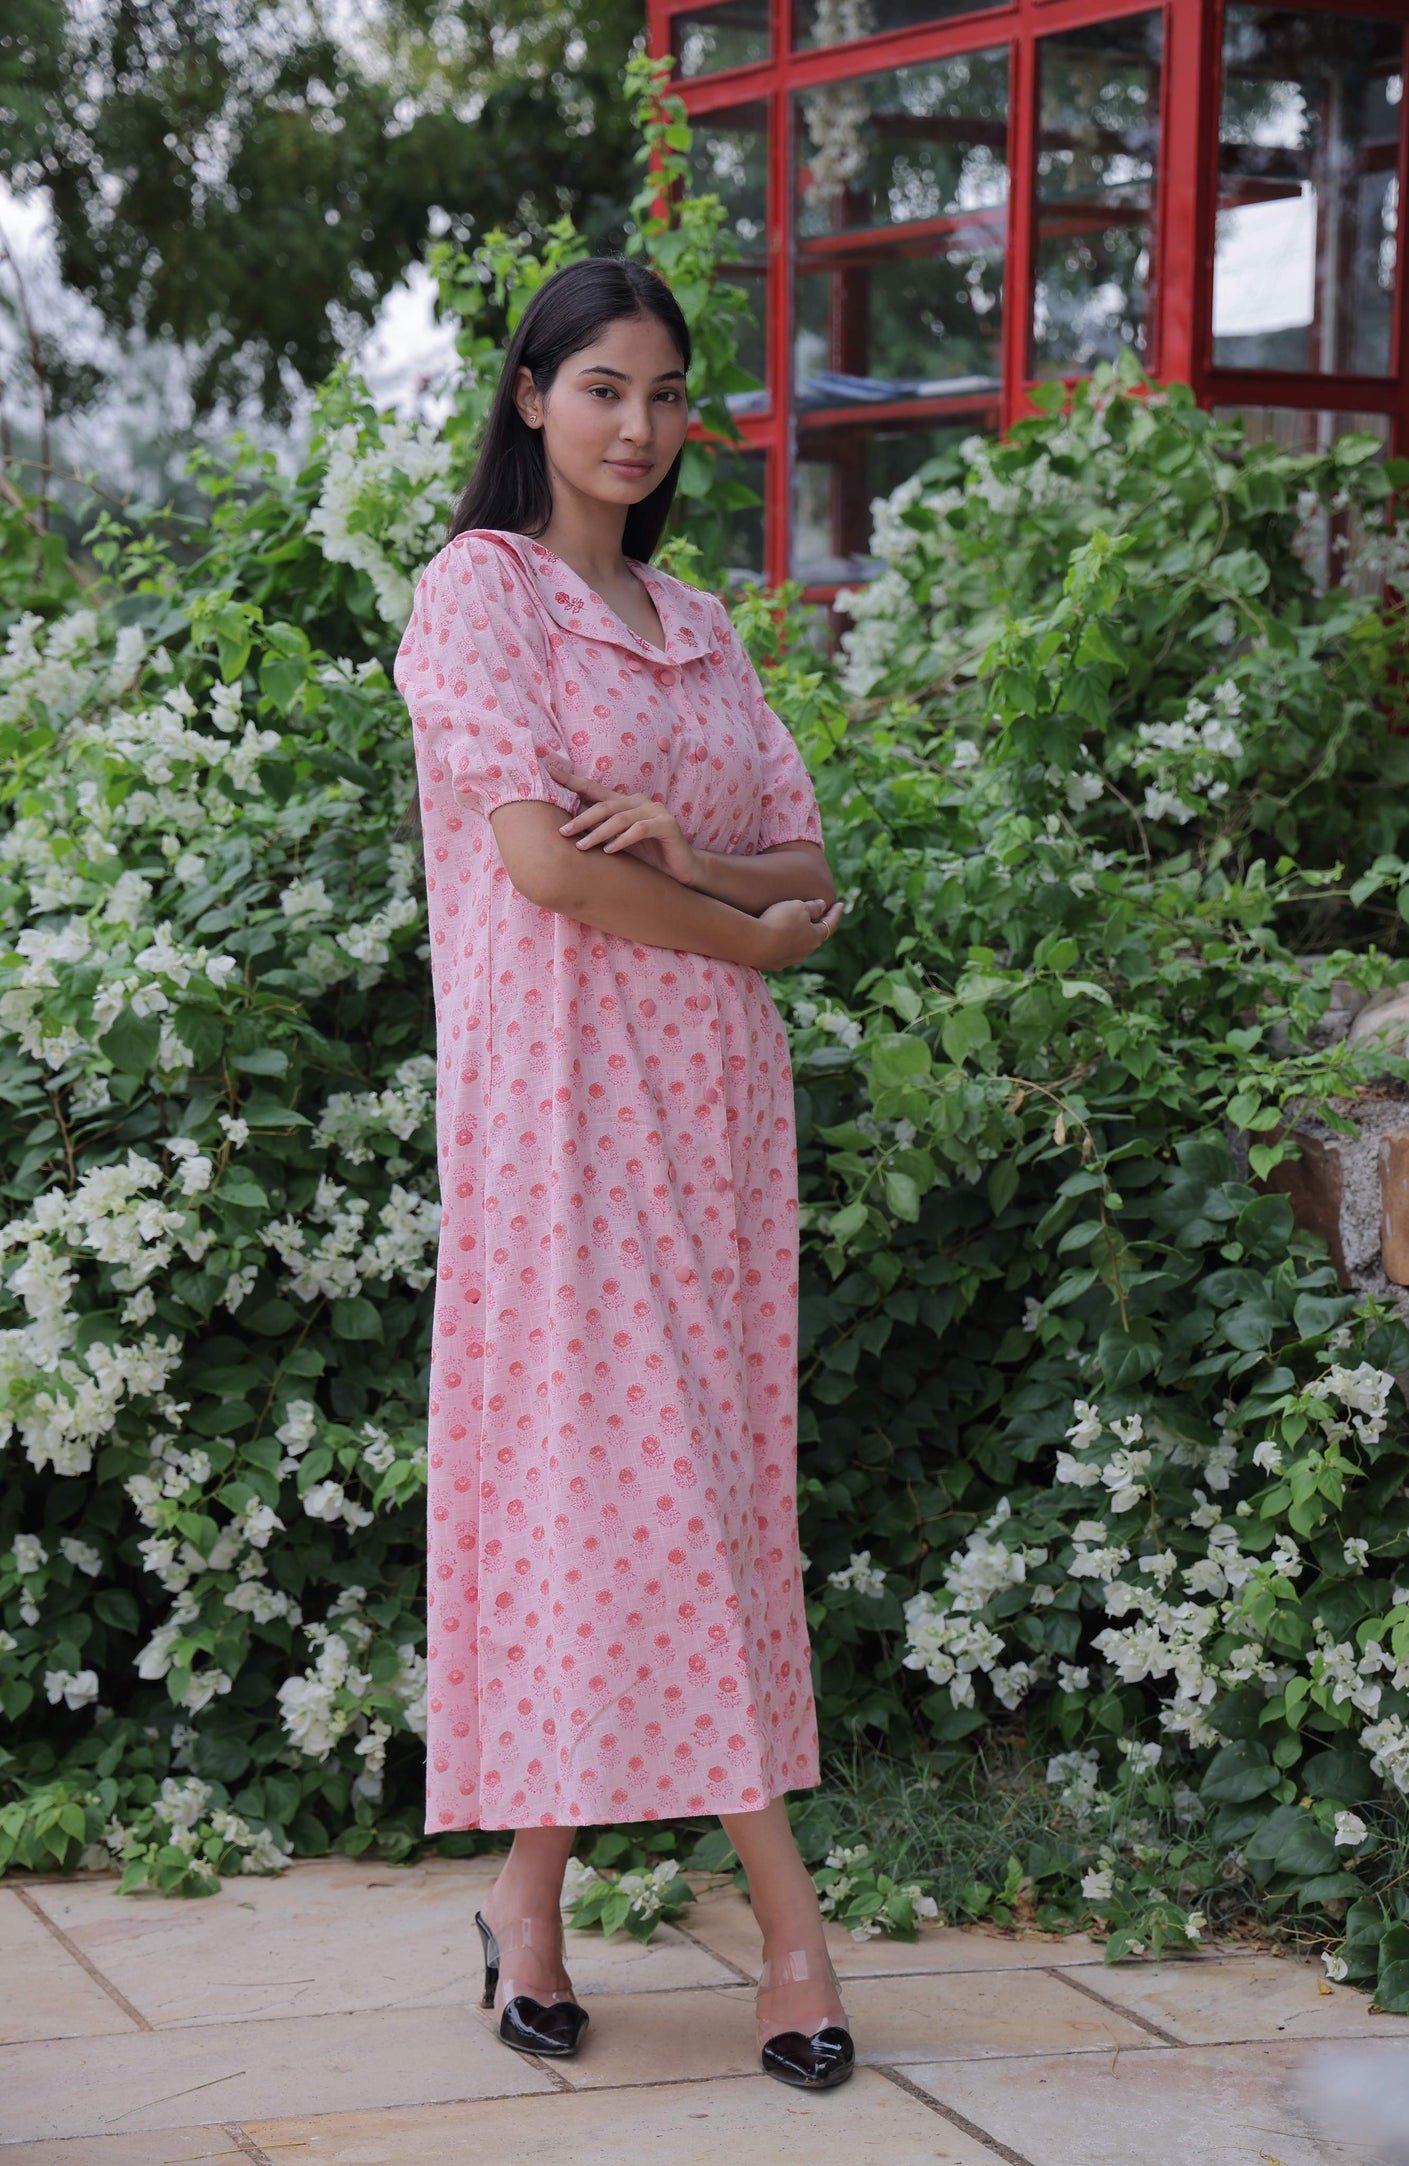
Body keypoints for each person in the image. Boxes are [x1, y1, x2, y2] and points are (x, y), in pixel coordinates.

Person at [392, 254, 853, 2091]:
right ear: (529, 398)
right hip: (558, 1115)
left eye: (665, 396)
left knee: (684, 1492)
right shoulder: (476, 597)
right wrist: (741, 925)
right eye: (602, 389)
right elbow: (547, 875)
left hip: (712, 1124)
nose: (639, 428)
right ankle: (792, 1932)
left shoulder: (694, 627)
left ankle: (528, 1905)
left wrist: (707, 857)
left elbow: (810, 866)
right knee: (622, 1472)